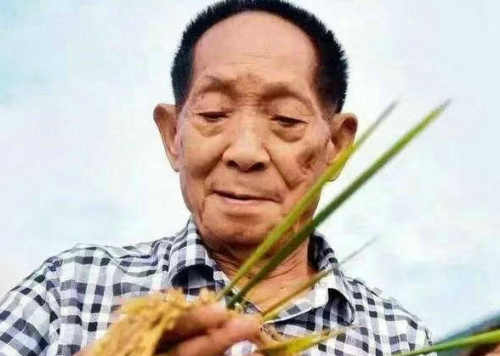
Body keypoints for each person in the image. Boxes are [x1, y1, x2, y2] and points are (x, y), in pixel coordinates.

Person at [0, 0, 433, 355]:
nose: (244, 151)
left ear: (336, 147)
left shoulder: (397, 339)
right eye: (213, 114)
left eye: (285, 118)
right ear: (173, 135)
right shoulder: (71, 291)